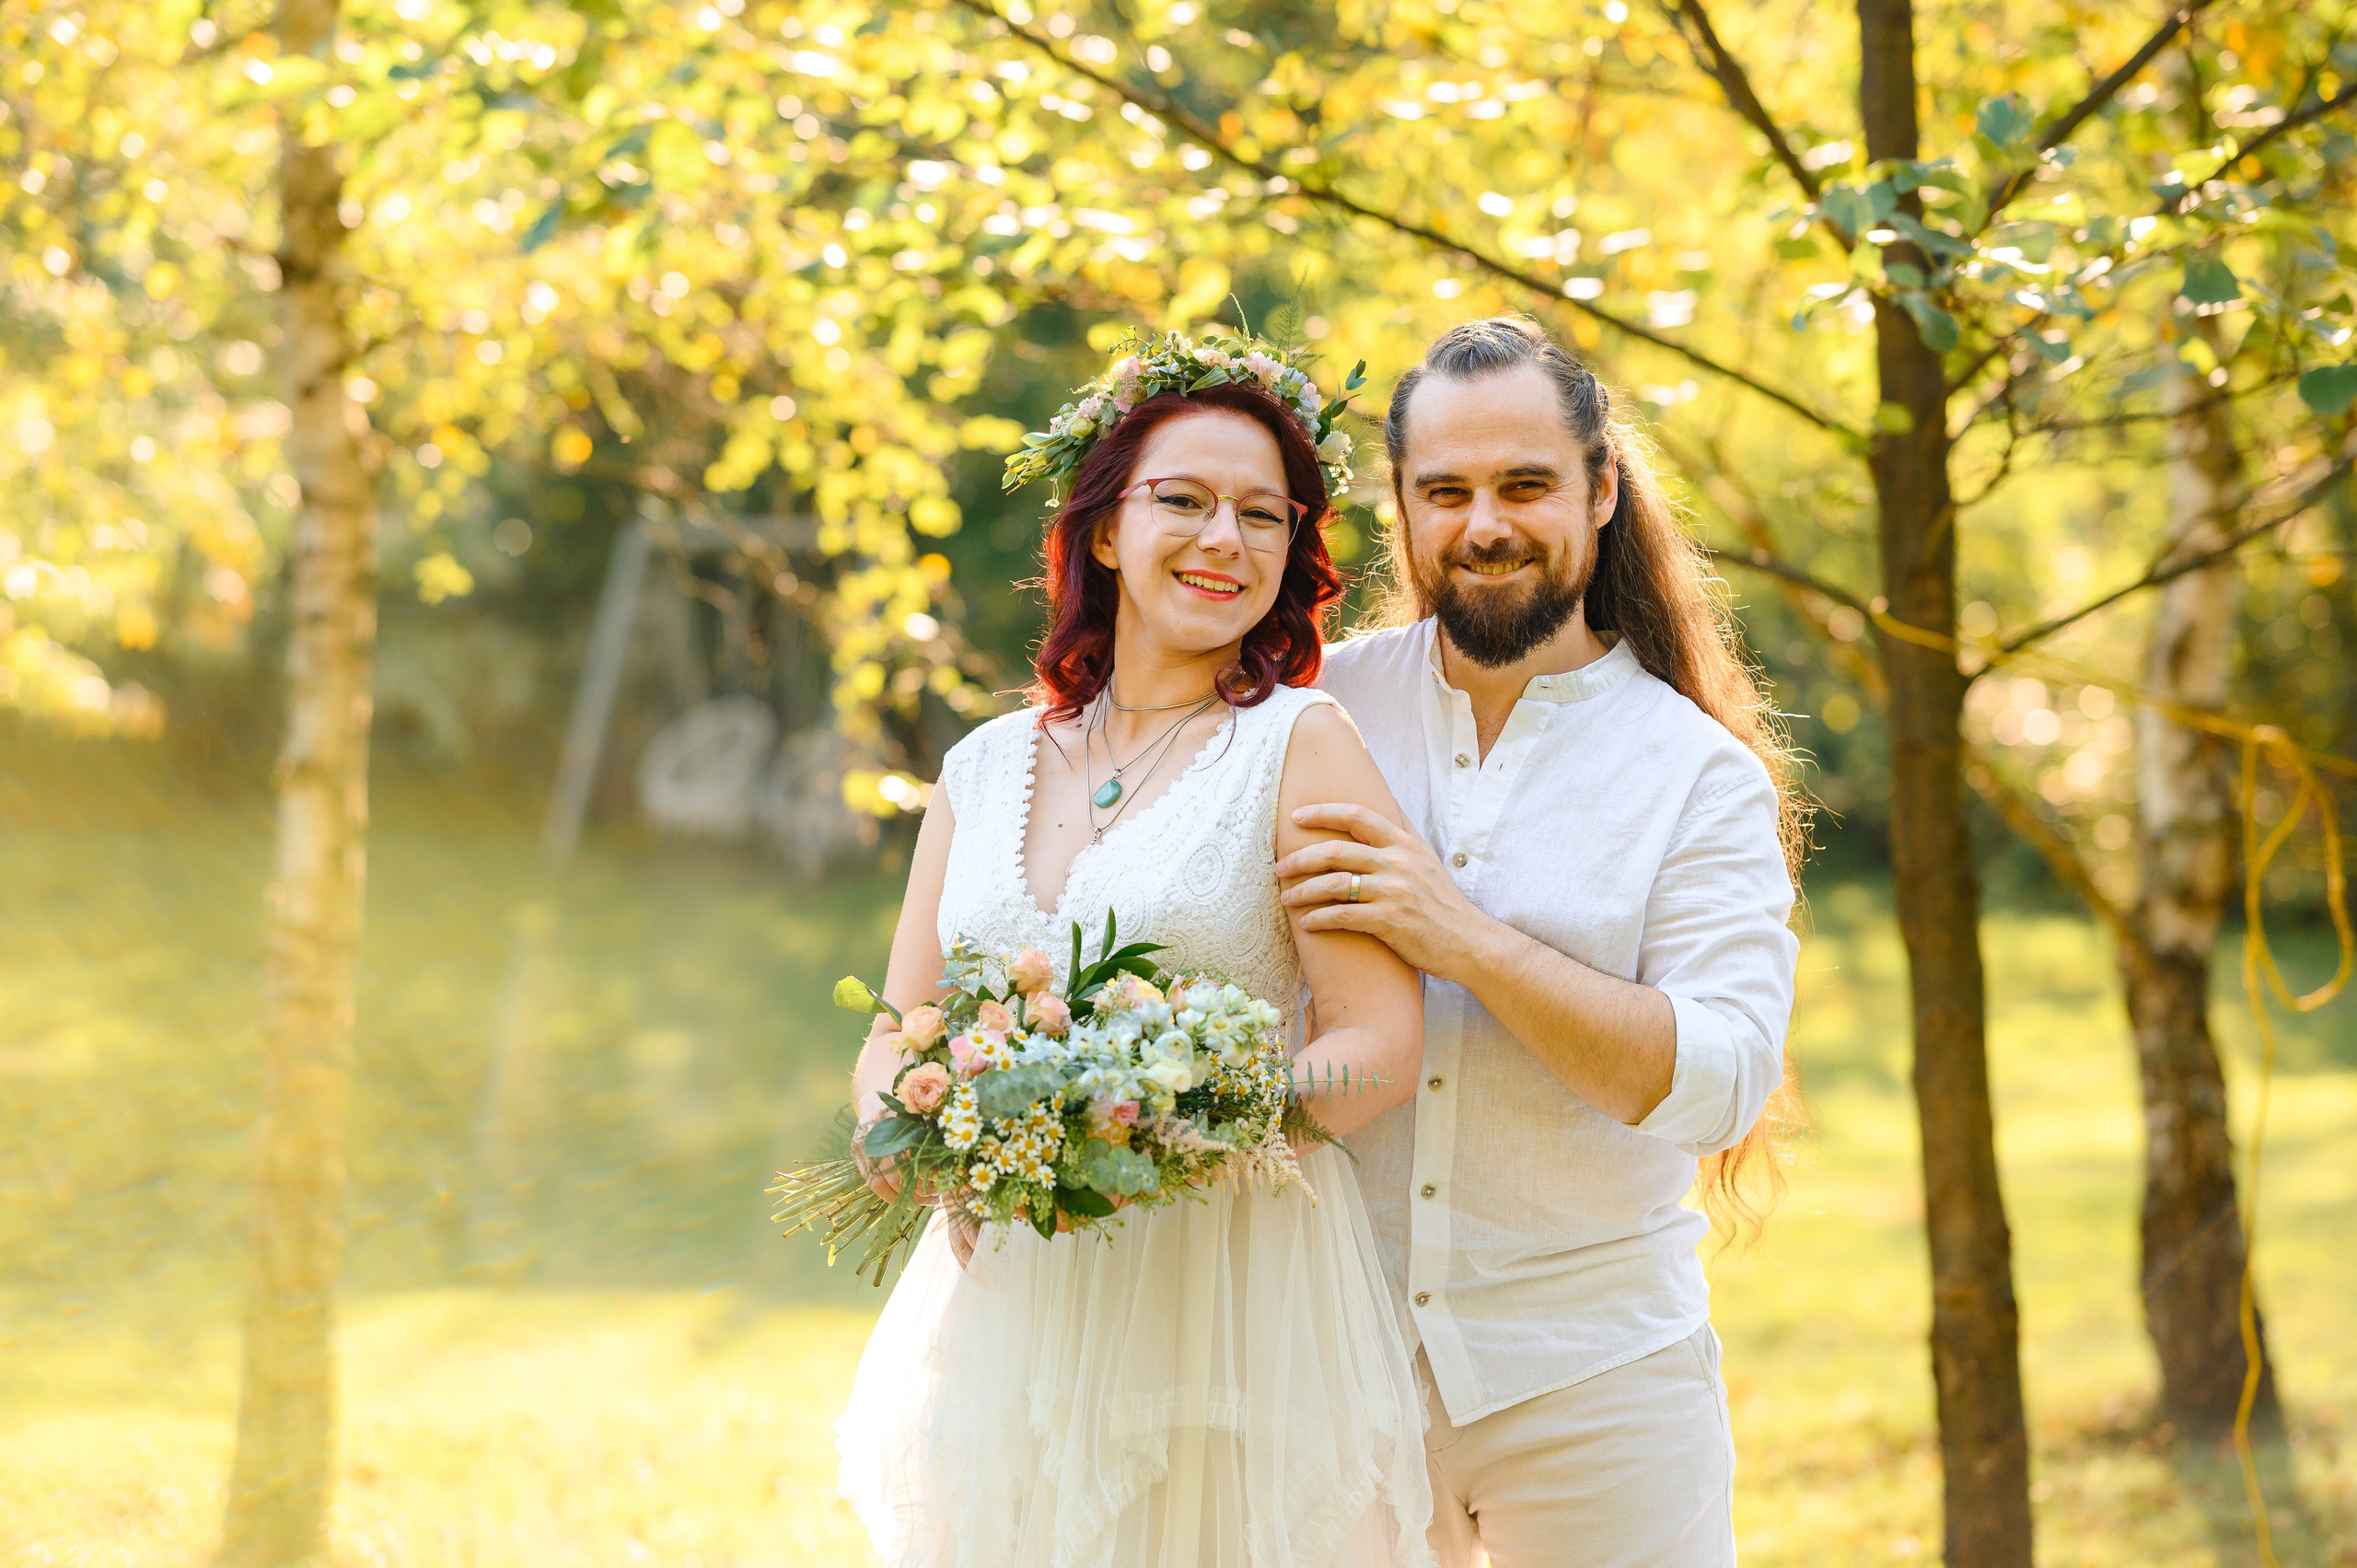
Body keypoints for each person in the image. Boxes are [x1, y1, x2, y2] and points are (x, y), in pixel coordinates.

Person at [833, 333, 1436, 1566]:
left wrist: (1180, 1129)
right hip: (1016, 1306)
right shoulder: (982, 768)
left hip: (1227, 1304)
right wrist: (906, 1130)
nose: (1226, 539)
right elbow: (901, 1029)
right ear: (1106, 530)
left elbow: (1379, 1045)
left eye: (1262, 515)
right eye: (1185, 500)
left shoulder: (1302, 746)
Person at [1278, 316, 1804, 1568]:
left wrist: (1461, 940)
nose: (1485, 525)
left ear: (1601, 488)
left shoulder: (1696, 776)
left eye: (1525, 485)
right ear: (1401, 503)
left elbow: (1721, 1085)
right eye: (1446, 491)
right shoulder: (1308, 711)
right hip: (1326, 1373)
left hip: (1599, 1384)